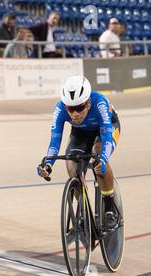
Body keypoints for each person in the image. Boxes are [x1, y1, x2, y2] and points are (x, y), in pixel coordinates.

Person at [37, 76, 122, 230]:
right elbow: (55, 141)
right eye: (70, 109)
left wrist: (102, 159)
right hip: (81, 132)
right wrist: (48, 164)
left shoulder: (100, 103)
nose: (75, 114)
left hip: (106, 129)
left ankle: (109, 206)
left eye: (79, 108)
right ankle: (84, 211)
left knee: (97, 155)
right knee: (71, 166)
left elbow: (107, 138)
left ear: (88, 102)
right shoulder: (60, 109)